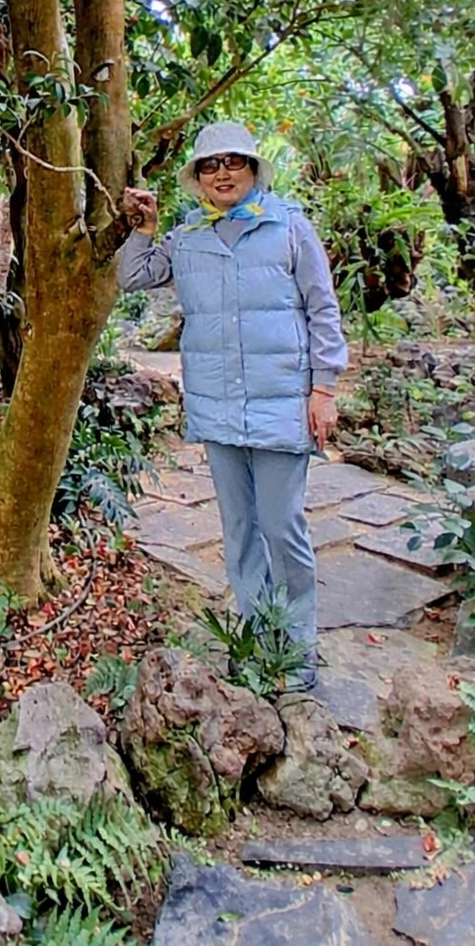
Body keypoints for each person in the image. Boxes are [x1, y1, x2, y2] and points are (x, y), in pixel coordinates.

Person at [117, 120, 348, 689]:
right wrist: (145, 228)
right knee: (240, 530)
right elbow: (133, 276)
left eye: (233, 161)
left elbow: (322, 308)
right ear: (197, 177)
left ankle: (296, 651)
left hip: (281, 405)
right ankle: (257, 641)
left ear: (253, 169)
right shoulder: (189, 237)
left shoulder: (290, 227)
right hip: (218, 408)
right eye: (210, 165)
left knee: (282, 527)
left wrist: (323, 390)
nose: (222, 173)